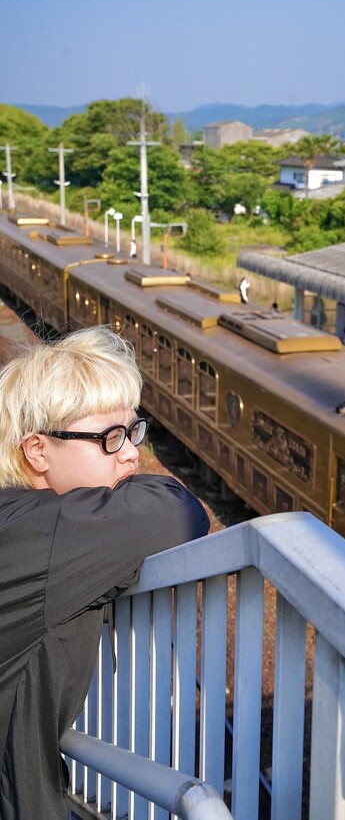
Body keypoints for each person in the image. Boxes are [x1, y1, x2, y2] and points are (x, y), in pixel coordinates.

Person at [0, 326, 210, 820]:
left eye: (132, 431)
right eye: (108, 438)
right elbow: (177, 510)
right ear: (37, 451)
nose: (131, 453)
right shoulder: (46, 534)